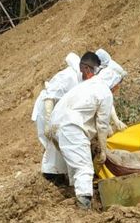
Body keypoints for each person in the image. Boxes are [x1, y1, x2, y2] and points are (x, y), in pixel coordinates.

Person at [47, 64, 126, 209]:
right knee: (84, 168)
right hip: (70, 126)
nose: (117, 89)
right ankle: (84, 207)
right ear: (114, 82)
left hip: (55, 125)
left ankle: (73, 196)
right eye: (118, 86)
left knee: (74, 166)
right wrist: (102, 151)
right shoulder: (105, 92)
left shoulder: (88, 85)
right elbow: (102, 125)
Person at [32, 51, 101, 185]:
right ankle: (52, 178)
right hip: (48, 110)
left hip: (61, 113)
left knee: (63, 147)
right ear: (86, 68)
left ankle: (63, 177)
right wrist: (47, 123)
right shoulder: (68, 76)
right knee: (54, 148)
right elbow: (49, 98)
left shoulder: (83, 80)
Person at [96, 48, 129, 133]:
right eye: (118, 84)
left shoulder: (100, 82)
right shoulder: (98, 86)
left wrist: (116, 121)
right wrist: (115, 122)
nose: (117, 88)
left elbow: (108, 103)